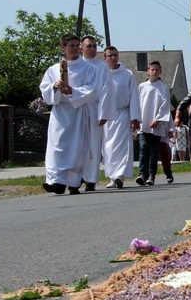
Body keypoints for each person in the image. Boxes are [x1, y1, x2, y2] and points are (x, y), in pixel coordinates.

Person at [40, 34, 97, 195]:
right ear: (63, 47)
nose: (75, 48)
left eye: (77, 45)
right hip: (60, 113)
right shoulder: (53, 69)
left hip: (77, 112)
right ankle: (55, 181)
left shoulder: (88, 68)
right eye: (71, 45)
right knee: (56, 147)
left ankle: (73, 181)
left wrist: (73, 91)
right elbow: (45, 88)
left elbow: (92, 89)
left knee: (76, 148)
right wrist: (54, 86)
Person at [101, 46, 141, 189]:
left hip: (123, 114)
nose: (112, 58)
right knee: (108, 147)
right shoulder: (102, 74)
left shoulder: (127, 74)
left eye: (115, 55)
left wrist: (135, 117)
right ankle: (112, 176)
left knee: (122, 146)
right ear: (105, 58)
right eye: (109, 56)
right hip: (107, 115)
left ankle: (120, 175)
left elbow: (134, 97)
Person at [80, 35, 116, 192]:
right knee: (78, 143)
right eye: (89, 46)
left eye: (95, 46)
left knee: (94, 145)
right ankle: (75, 176)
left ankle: (91, 179)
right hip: (77, 108)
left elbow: (107, 90)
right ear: (82, 48)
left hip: (94, 108)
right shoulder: (76, 65)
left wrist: (103, 113)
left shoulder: (102, 67)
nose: (93, 49)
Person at [136, 60, 171, 186]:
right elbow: (138, 104)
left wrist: (158, 119)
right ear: (148, 71)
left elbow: (165, 105)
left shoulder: (163, 88)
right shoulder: (142, 87)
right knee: (143, 148)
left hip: (157, 125)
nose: (154, 72)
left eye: (157, 70)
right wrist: (136, 120)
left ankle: (151, 175)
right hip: (144, 124)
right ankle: (141, 174)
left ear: (160, 71)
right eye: (152, 69)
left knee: (154, 151)